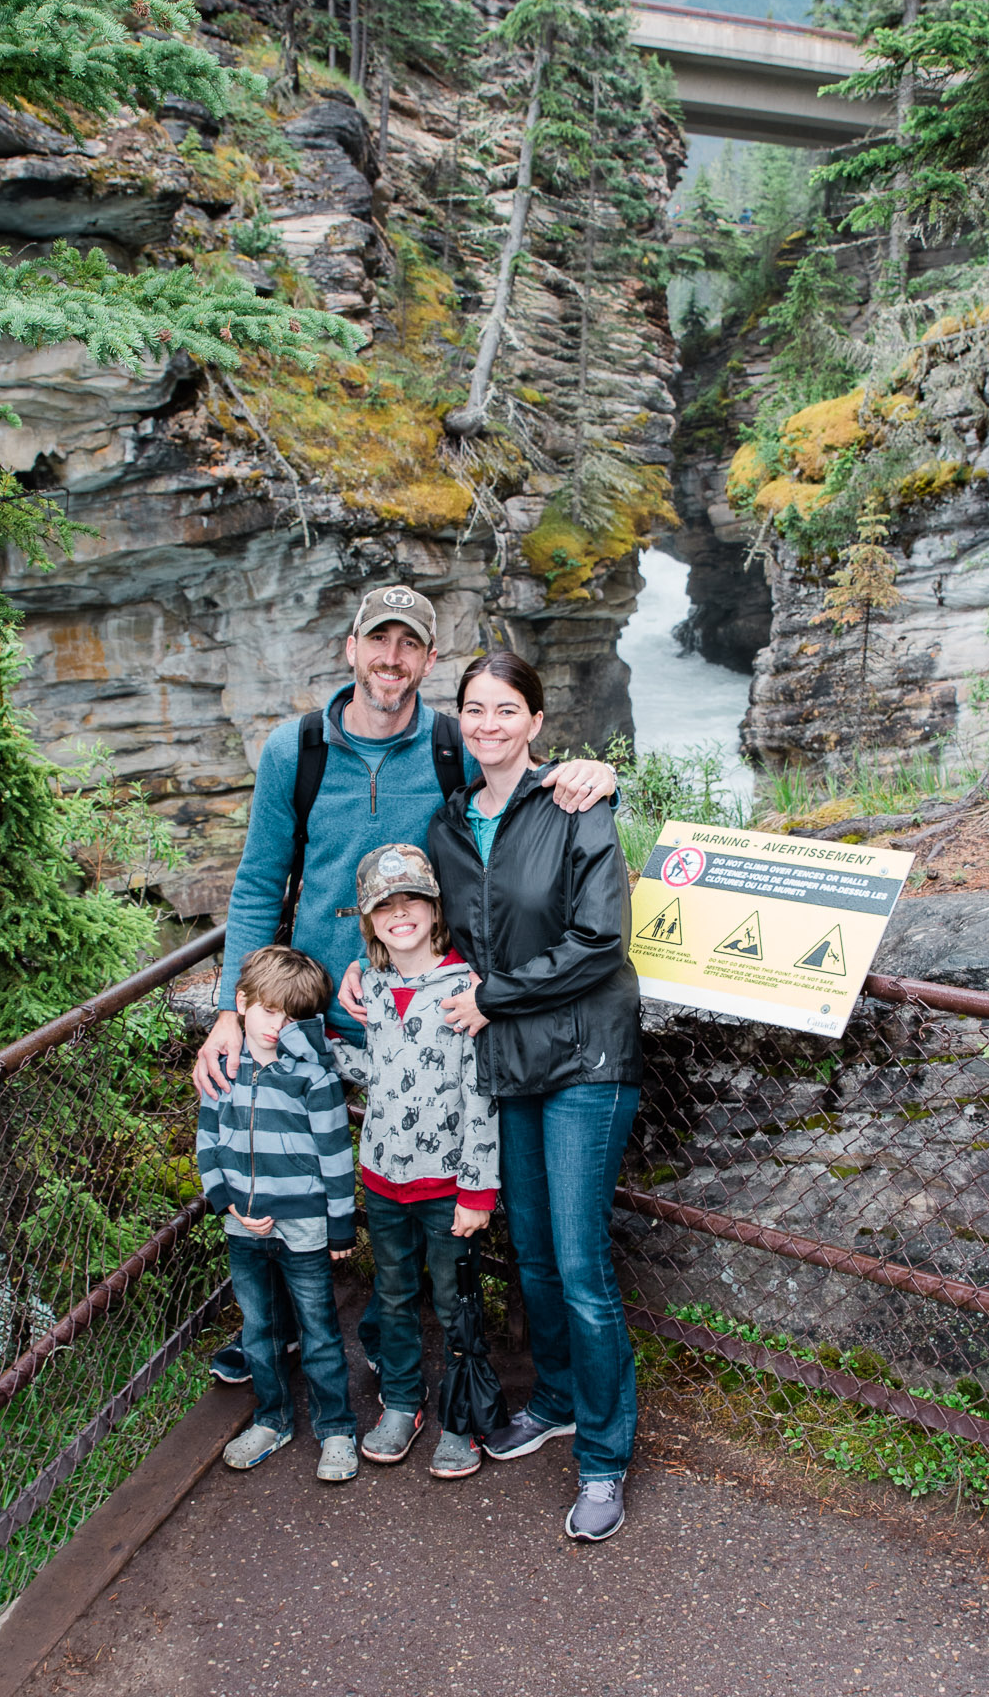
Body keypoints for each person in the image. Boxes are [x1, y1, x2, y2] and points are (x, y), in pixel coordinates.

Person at [192, 583, 618, 1386]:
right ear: (350, 648)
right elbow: (256, 884)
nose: (391, 659)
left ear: (427, 658)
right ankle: (283, 1326)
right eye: (377, 642)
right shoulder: (299, 748)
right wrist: (230, 1009)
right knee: (284, 1160)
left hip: (427, 1002)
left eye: (409, 645)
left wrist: (595, 772)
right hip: (315, 1003)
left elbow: (522, 773)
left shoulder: (455, 742)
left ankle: (434, 1338)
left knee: (424, 1167)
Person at [427, 650, 643, 1545]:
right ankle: (554, 1399)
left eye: (505, 709)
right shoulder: (446, 824)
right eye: (474, 709)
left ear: (535, 722)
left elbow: (601, 940)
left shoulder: (574, 804)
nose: (488, 724)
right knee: (539, 1258)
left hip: (586, 1057)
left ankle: (602, 1458)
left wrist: (490, 998)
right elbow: (440, 932)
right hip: (511, 1061)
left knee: (584, 1268)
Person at [338, 842, 498, 1481]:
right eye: (385, 906)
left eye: (413, 902)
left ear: (435, 909)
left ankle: (463, 1416)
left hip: (447, 1184)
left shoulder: (466, 991)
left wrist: (477, 1190)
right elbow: (377, 1073)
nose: (400, 914)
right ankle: (403, 1402)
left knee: (456, 1299)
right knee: (396, 1294)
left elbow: (481, 1095)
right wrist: (308, 1052)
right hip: (381, 1178)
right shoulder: (372, 989)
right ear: (371, 920)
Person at [194, 946, 360, 1482]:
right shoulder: (224, 1068)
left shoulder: (314, 1077)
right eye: (266, 1010)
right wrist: (229, 1203)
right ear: (241, 1003)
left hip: (306, 1224)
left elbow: (336, 1157)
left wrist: (340, 1225)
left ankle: (335, 1428)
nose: (275, 1025)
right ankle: (272, 1419)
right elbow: (207, 1146)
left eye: (290, 1016)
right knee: (259, 1328)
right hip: (241, 1223)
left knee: (319, 1330)